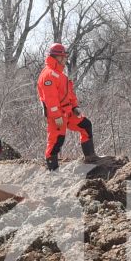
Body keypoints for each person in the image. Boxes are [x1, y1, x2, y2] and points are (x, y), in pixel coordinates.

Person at [37, 42, 98, 171]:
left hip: (69, 112)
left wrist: (75, 106)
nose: (65, 59)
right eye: (63, 57)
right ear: (57, 57)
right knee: (56, 142)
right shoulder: (48, 75)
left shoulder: (60, 75)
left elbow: (69, 93)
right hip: (57, 116)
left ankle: (90, 157)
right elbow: (50, 100)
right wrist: (56, 116)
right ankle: (53, 171)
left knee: (86, 125)